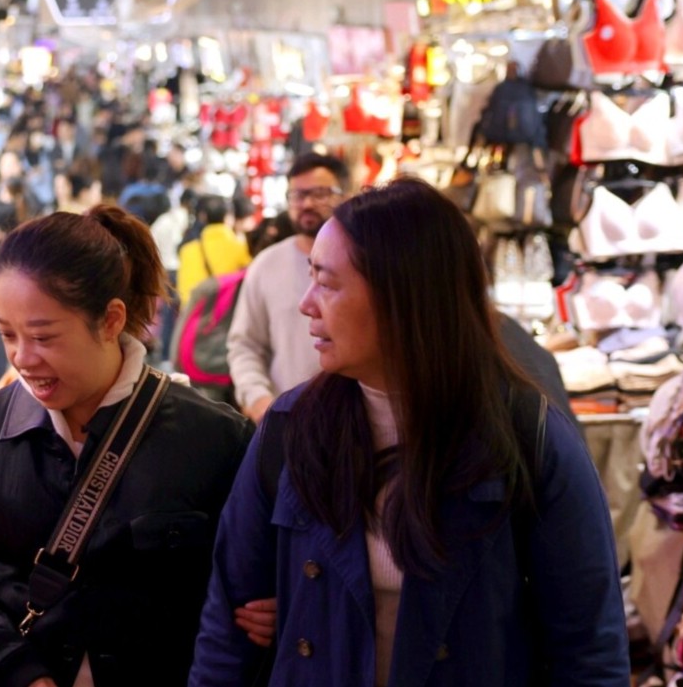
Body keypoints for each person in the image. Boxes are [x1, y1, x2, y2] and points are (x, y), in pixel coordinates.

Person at [191, 178, 627, 687]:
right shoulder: (291, 428)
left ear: (403, 296)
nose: (306, 303)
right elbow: (226, 628)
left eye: (328, 284)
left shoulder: (526, 436)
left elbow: (589, 649)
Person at [0, 207, 254, 687]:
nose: (22, 358)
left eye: (43, 336)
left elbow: (243, 585)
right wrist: (10, 671)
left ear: (110, 320)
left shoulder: (214, 439)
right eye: (7, 334)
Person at [227, 154, 349, 422]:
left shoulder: (363, 263)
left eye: (320, 193)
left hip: (353, 419)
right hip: (285, 418)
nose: (307, 204)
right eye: (297, 195)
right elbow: (245, 345)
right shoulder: (267, 265)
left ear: (345, 195)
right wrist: (259, 400)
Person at [177, 194, 252, 314]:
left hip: (194, 315)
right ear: (228, 218)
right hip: (223, 315)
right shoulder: (240, 248)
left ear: (203, 217)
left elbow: (184, 291)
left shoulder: (187, 250)